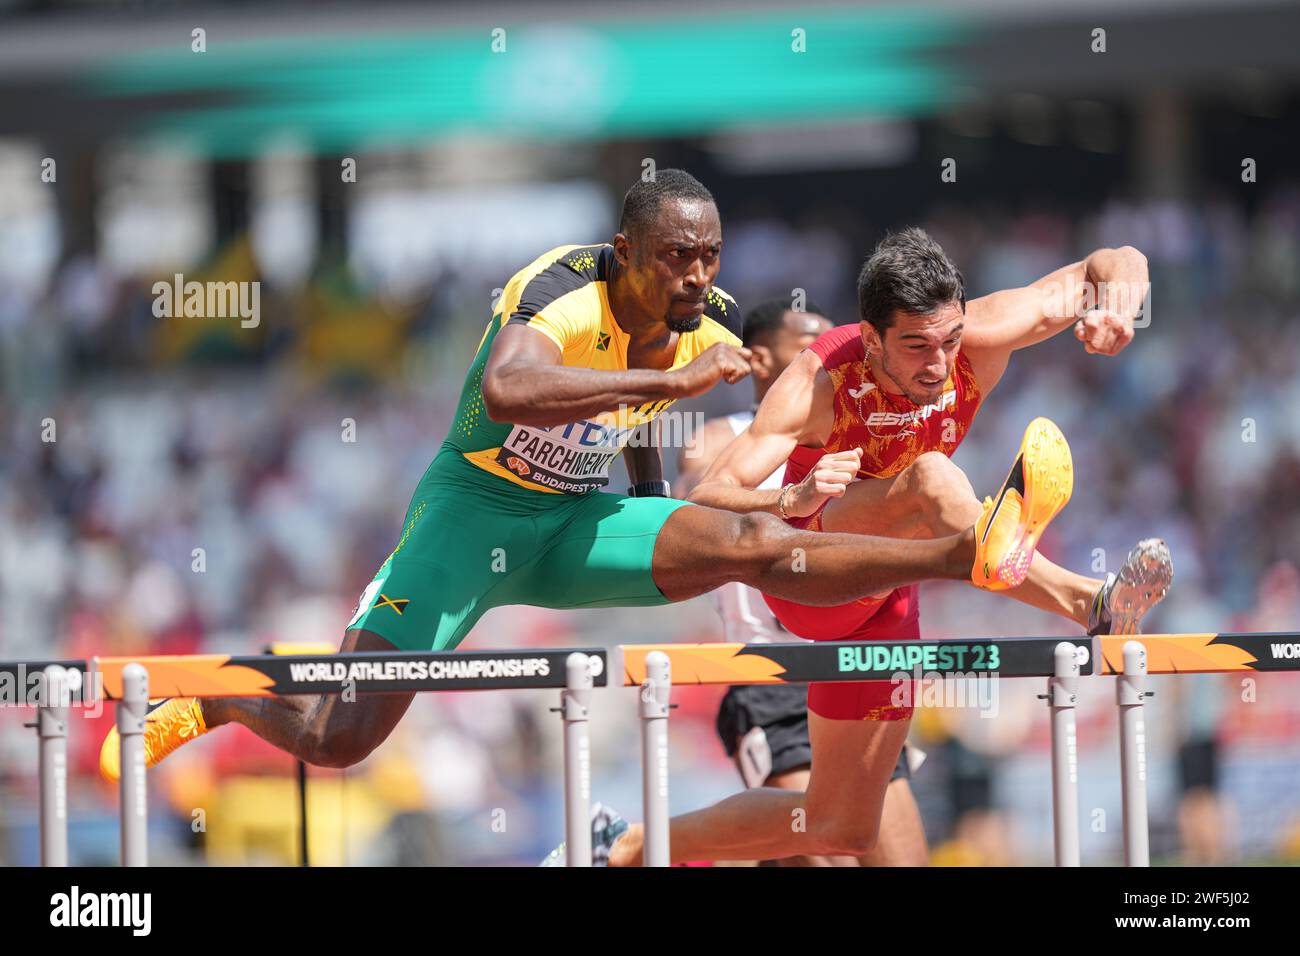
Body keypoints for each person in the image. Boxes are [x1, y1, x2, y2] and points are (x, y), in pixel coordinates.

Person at [97, 172, 1048, 789]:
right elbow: (510, 391)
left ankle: (971, 553)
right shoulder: (558, 286)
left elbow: (802, 359)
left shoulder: (712, 317)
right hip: (472, 518)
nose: (698, 274)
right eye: (680, 256)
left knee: (756, 544)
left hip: (580, 526)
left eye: (711, 255)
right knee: (343, 740)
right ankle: (226, 692)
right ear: (628, 252)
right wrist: (669, 382)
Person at [562, 226, 1173, 866]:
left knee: (840, 826)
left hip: (890, 595)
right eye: (915, 347)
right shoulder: (818, 382)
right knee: (931, 478)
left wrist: (1117, 306)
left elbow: (1113, 261)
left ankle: (627, 844)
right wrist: (787, 502)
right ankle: (1079, 597)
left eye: (949, 340)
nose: (938, 364)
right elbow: (707, 495)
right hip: (812, 575)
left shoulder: (982, 334)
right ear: (873, 338)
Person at [677, 297, 926, 866]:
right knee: (822, 853)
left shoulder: (855, 426)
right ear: (762, 360)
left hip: (850, 659)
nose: (826, 359)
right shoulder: (720, 439)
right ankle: (636, 843)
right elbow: (698, 506)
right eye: (807, 346)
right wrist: (793, 495)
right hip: (770, 669)